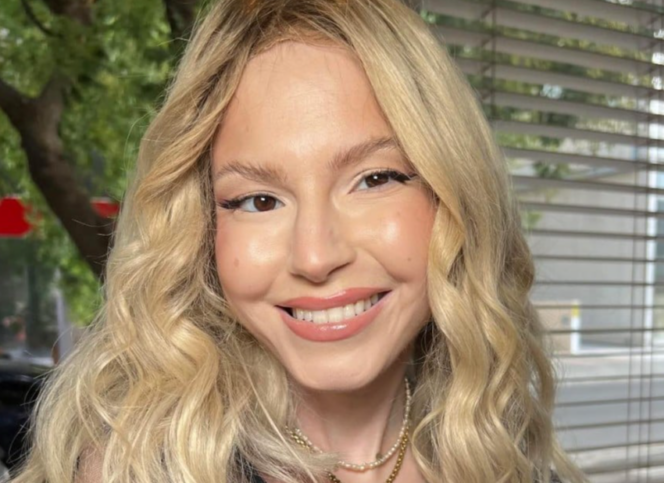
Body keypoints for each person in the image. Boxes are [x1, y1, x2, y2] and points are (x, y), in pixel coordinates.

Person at [12, 0, 586, 482]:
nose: (315, 256)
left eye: (375, 179)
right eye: (259, 201)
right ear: (203, 230)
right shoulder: (134, 468)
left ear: (453, 198)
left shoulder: (505, 457)